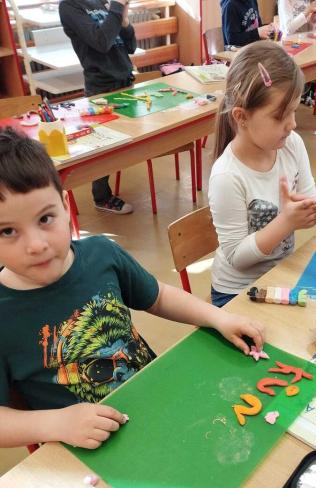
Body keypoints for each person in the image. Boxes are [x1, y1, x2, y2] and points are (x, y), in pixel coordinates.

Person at [0, 128, 265, 450]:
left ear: (65, 206)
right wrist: (55, 423)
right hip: (91, 449)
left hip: (159, 401)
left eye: (45, 219)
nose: (36, 245)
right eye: (8, 231)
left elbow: (158, 296)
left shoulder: (102, 254)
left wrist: (217, 317)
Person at [209, 41, 316, 308]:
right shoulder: (227, 176)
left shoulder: (291, 144)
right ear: (242, 117)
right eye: (280, 116)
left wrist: (306, 210)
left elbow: (310, 200)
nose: (293, 124)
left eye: (294, 111)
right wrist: (286, 221)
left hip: (280, 276)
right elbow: (237, 258)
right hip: (236, 293)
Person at [59, 0, 136, 215]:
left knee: (127, 142)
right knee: (104, 148)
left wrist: (125, 21)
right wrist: (117, 7)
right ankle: (101, 197)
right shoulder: (69, 6)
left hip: (126, 81)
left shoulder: (101, 2)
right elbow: (101, 42)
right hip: (102, 88)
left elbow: (130, 46)